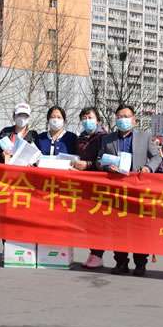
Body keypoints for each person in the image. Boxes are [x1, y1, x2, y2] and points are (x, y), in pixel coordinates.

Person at [97, 104, 162, 277]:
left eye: (126, 116)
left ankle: (140, 263)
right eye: (119, 116)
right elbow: (99, 159)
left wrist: (148, 168)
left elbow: (156, 157)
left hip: (138, 189)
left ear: (134, 120)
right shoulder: (107, 139)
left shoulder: (144, 137)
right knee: (118, 228)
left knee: (139, 228)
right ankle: (121, 262)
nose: (122, 119)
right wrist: (106, 166)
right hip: (117, 189)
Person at [72, 107, 108, 269]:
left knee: (98, 221)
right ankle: (93, 253)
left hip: (100, 184)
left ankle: (97, 254)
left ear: (98, 120)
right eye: (84, 118)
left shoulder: (103, 138)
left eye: (90, 117)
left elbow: (104, 160)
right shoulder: (81, 138)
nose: (87, 121)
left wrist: (87, 164)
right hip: (84, 184)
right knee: (88, 221)